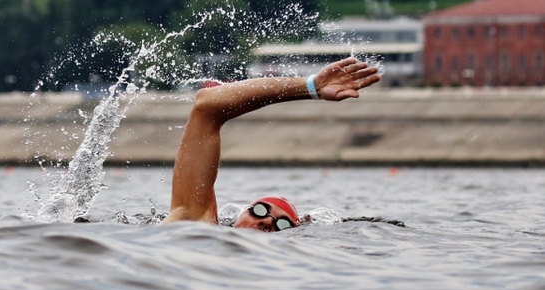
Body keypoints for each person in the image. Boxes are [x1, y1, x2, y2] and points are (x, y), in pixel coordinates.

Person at [162, 57, 382, 231]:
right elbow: (207, 104)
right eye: (259, 210)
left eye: (282, 224)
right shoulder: (195, 223)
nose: (267, 222)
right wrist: (310, 87)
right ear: (242, 213)